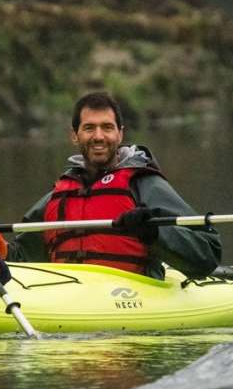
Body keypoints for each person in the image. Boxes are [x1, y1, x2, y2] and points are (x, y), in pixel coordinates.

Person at [16, 91, 221, 280]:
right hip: (66, 295)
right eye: (89, 128)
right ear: (74, 136)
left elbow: (208, 254)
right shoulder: (59, 193)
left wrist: (155, 233)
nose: (98, 136)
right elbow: (20, 255)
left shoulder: (144, 184)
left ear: (120, 134)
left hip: (132, 296)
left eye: (107, 127)